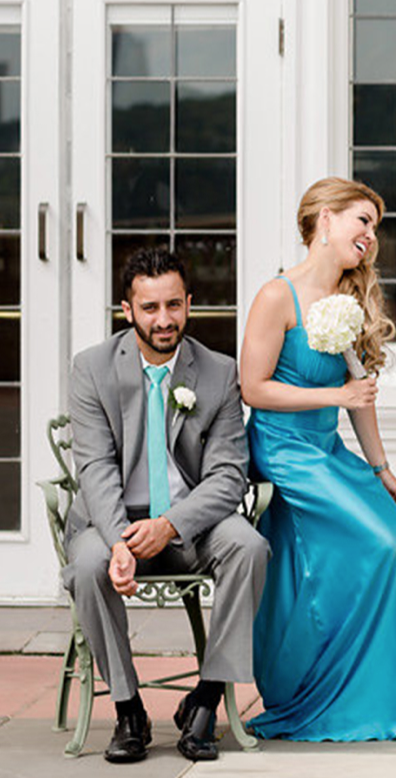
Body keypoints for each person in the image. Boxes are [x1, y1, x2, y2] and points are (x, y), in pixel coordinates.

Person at [240, 177, 396, 741]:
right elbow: (254, 388)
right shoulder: (276, 296)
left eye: (374, 226)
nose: (370, 235)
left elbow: (360, 396)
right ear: (325, 221)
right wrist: (333, 397)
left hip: (326, 448)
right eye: (362, 220)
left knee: (394, 539)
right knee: (379, 544)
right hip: (283, 448)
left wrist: (381, 468)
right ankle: (321, 692)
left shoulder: (348, 302)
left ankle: (363, 695)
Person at [64, 247, 268, 763]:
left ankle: (205, 701)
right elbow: (94, 470)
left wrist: (170, 525)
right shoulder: (92, 369)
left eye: (173, 306)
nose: (163, 320)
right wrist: (118, 541)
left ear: (189, 304)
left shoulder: (219, 373)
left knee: (249, 545)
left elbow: (228, 476)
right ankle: (128, 708)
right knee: (88, 563)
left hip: (190, 527)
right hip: (115, 524)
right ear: (127, 310)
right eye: (150, 308)